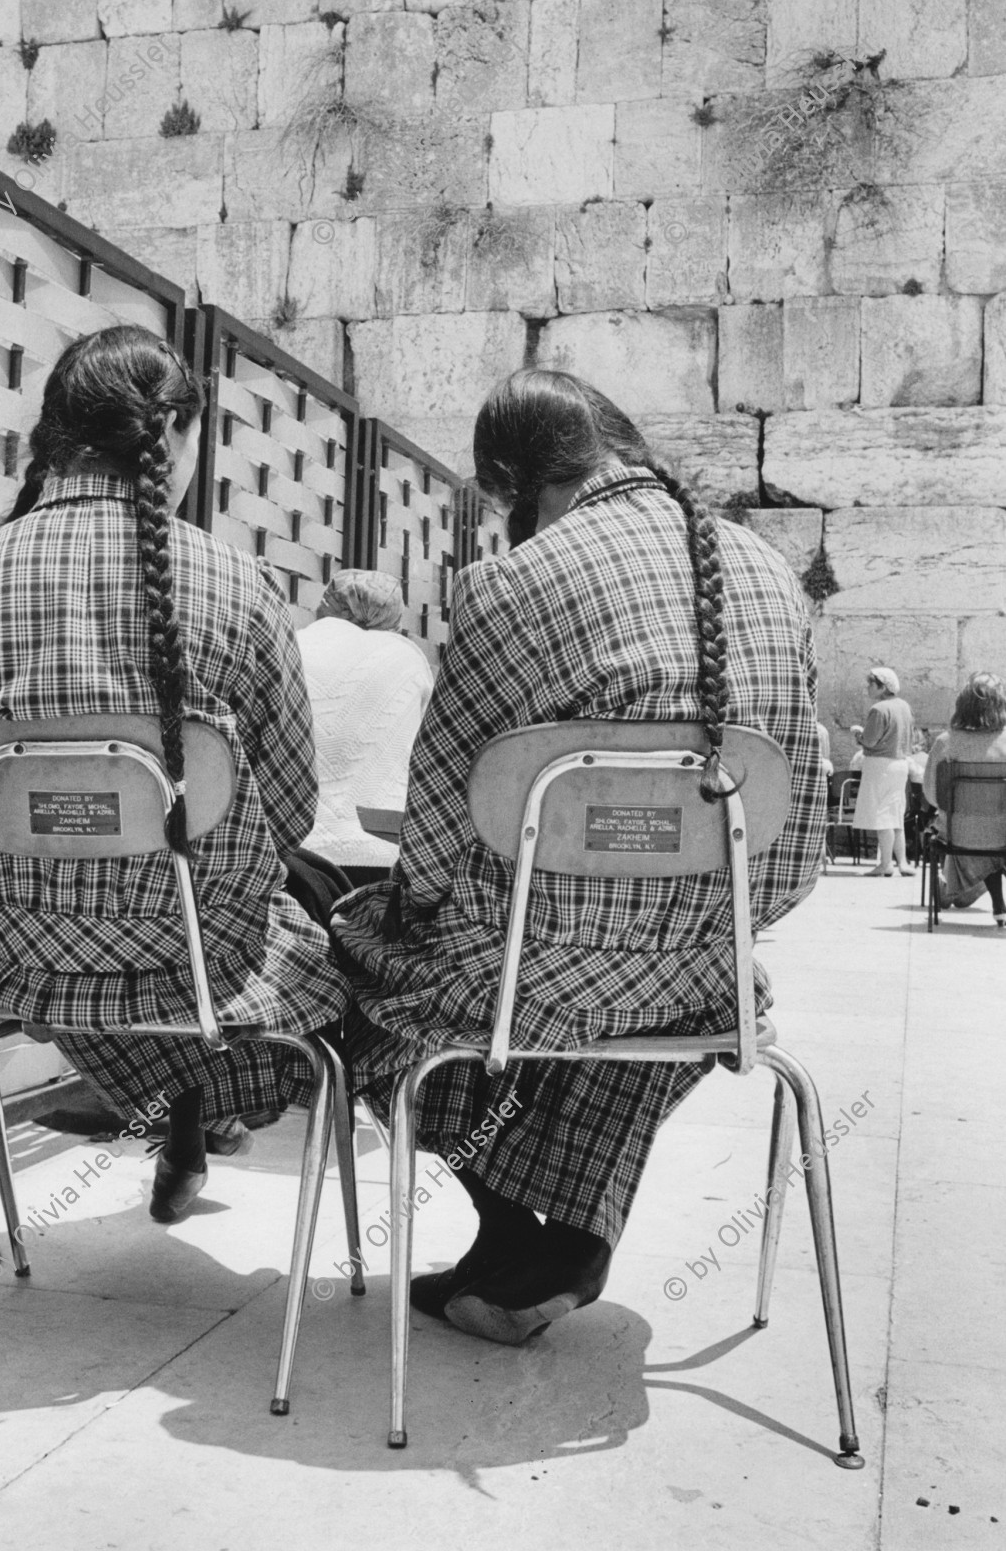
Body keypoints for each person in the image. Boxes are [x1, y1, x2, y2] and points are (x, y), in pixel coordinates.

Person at [332, 368, 825, 1347]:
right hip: (703, 972)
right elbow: (796, 846)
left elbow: (436, 831)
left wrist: (413, 908)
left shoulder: (510, 582)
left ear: (516, 484)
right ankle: (555, 1245)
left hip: (534, 971)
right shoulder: (770, 573)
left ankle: (522, 1232)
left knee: (372, 972)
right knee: (606, 1002)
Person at [0, 325, 351, 1222]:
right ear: (172, 430)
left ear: (53, 432)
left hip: (19, 960)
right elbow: (289, 811)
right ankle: (206, 1102)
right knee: (326, 940)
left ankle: (179, 1111)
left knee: (88, 952)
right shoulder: (241, 582)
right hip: (201, 956)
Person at [297, 570, 434, 886]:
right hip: (384, 849)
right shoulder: (409, 658)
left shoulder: (299, 641)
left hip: (298, 847)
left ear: (337, 606)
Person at [922, 672, 1006, 924]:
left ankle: (959, 889)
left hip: (958, 834)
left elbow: (931, 795)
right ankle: (990, 901)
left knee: (974, 829)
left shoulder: (945, 743)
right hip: (1002, 834)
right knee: (995, 832)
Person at [850, 667, 914, 877]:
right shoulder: (904, 706)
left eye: (871, 684)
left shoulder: (879, 709)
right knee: (895, 814)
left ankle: (886, 863)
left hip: (880, 765)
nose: (868, 687)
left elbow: (870, 740)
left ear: (882, 686)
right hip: (900, 763)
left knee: (883, 815)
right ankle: (902, 862)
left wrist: (859, 735)